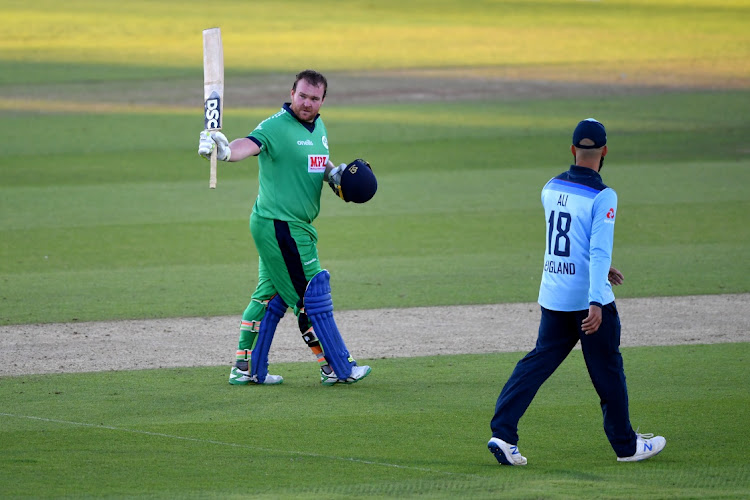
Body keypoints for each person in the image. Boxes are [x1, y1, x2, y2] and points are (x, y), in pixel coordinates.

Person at [488, 118, 666, 465]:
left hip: (554, 295)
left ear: (572, 150)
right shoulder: (604, 196)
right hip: (588, 301)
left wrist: (596, 271)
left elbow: (569, 243)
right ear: (605, 152)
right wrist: (597, 299)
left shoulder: (550, 187)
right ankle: (626, 446)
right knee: (608, 369)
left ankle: (503, 433)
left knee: (537, 363)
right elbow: (598, 250)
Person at [197, 69, 376, 386]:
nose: (307, 103)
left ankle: (246, 368)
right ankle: (336, 367)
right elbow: (249, 145)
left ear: (322, 101)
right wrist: (224, 151)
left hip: (286, 226)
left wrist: (336, 176)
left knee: (270, 296)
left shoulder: (317, 127)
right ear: (292, 93)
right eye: (303, 96)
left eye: (314, 98)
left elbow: (318, 162)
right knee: (310, 297)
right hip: (282, 227)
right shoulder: (275, 127)